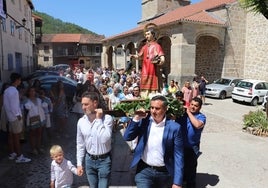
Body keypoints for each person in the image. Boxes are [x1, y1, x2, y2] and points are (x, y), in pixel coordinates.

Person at [123, 95, 184, 188]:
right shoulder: (144, 122)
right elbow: (127, 137)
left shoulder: (174, 128)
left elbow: (179, 155)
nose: (153, 111)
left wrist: (177, 182)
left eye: (157, 108)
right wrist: (136, 118)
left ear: (165, 109)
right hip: (144, 170)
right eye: (151, 107)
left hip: (164, 173)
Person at [76, 91, 113, 188]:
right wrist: (79, 164)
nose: (83, 107)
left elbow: (105, 138)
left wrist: (98, 120)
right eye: (82, 104)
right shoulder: (81, 122)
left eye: (86, 104)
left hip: (104, 160)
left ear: (95, 103)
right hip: (89, 160)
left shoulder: (107, 119)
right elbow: (80, 144)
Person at [176, 97, 206, 188]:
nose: (193, 107)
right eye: (192, 104)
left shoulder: (201, 117)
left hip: (193, 146)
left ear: (199, 108)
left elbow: (197, 125)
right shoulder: (182, 115)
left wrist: (188, 113)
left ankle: (191, 184)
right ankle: (182, 181)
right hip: (180, 145)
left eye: (196, 106)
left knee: (191, 167)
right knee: (180, 165)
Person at [130, 23, 165, 97]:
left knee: (153, 83)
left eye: (148, 34)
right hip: (145, 68)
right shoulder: (144, 47)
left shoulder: (157, 46)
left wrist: (160, 61)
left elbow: (162, 58)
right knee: (144, 81)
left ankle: (152, 95)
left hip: (153, 69)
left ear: (153, 35)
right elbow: (139, 56)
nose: (146, 36)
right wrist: (134, 56)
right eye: (146, 35)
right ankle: (144, 95)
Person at [3, 72, 31, 163]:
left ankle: (12, 153)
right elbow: (14, 106)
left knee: (11, 136)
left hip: (10, 117)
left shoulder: (7, 90)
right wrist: (19, 116)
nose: (20, 81)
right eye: (20, 80)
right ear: (17, 80)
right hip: (15, 117)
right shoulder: (14, 91)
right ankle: (19, 156)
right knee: (16, 137)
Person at [24, 86, 46, 155]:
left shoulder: (39, 99)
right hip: (32, 119)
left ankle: (38, 147)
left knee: (39, 133)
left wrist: (43, 98)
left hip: (40, 118)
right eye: (31, 91)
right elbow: (27, 107)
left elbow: (45, 105)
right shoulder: (26, 100)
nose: (33, 92)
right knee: (32, 134)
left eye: (34, 91)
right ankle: (33, 149)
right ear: (28, 92)